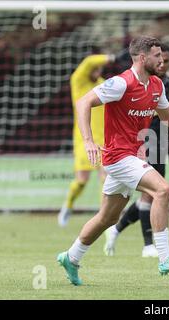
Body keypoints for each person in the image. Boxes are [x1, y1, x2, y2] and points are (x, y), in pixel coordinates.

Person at [56, 36, 169, 285]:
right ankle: (165, 257)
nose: (162, 60)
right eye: (157, 55)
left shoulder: (157, 85)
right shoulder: (120, 83)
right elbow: (83, 103)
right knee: (163, 190)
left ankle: (71, 257)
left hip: (131, 156)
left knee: (108, 218)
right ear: (143, 57)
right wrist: (89, 141)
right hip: (117, 156)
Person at [103, 43, 169, 258]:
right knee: (154, 194)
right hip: (143, 141)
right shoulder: (135, 82)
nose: (162, 63)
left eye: (165, 60)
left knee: (148, 196)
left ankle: (116, 228)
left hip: (161, 142)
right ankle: (149, 245)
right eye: (158, 58)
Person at [57, 54, 114, 227]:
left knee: (105, 177)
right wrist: (111, 57)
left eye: (100, 69)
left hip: (104, 139)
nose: (98, 71)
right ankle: (68, 206)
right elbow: (89, 61)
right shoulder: (78, 80)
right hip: (84, 139)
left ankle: (102, 216)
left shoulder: (102, 85)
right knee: (81, 181)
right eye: (95, 68)